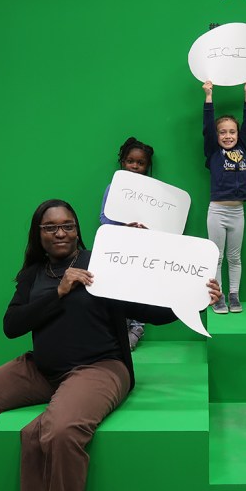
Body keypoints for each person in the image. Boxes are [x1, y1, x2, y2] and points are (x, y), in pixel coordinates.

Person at [0, 199, 221, 491]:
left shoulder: (101, 264)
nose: (60, 233)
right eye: (50, 227)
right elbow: (12, 325)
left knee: (59, 432)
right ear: (38, 234)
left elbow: (148, 310)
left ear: (77, 230)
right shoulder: (34, 274)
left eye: (67, 226)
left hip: (99, 368)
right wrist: (58, 292)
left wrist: (196, 299)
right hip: (42, 369)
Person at [202, 79, 246, 314]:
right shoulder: (213, 151)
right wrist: (208, 97)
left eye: (232, 132)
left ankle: (234, 295)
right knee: (217, 257)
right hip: (217, 211)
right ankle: (218, 296)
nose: (227, 136)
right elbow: (207, 127)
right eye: (222, 132)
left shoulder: (242, 148)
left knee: (235, 257)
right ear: (216, 136)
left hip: (237, 212)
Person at [99, 137, 155, 350]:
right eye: (130, 161)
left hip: (144, 248)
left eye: (140, 163)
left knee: (140, 285)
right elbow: (104, 218)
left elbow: (160, 220)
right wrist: (124, 226)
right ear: (123, 162)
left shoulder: (153, 191)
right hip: (119, 247)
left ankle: (137, 327)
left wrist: (148, 228)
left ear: (147, 166)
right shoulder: (113, 188)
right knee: (119, 286)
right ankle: (120, 326)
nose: (135, 166)